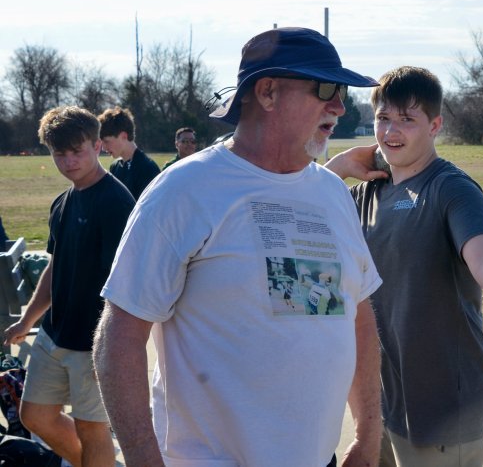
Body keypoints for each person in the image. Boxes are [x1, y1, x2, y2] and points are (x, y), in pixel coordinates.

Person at [92, 27, 384, 467]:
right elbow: (119, 337)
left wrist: (367, 434)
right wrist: (141, 458)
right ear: (267, 92)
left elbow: (357, 317)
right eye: (325, 89)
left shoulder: (332, 193)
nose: (340, 106)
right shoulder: (185, 190)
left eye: (341, 92)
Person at [326, 66, 483, 467]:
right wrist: (339, 167)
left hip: (442, 405)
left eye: (407, 119)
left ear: (434, 125)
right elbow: (297, 211)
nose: (391, 131)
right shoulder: (365, 191)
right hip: (380, 401)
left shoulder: (450, 188)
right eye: (384, 118)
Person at [3, 105, 135, 467]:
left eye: (77, 151)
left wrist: (109, 346)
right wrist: (28, 321)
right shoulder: (62, 202)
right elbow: (55, 268)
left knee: (92, 428)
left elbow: (123, 282)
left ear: (97, 146)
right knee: (34, 416)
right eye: (60, 153)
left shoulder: (116, 202)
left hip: (92, 342)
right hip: (53, 334)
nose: (69, 161)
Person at [97, 106, 160, 200]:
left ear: (123, 136)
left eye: (106, 141)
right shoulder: (115, 167)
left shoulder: (148, 169)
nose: (104, 148)